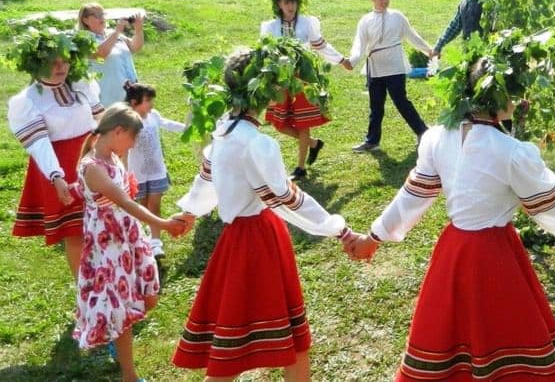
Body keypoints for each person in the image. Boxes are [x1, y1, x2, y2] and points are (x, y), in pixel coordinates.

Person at [345, 58, 555, 381]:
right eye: (513, 93)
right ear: (500, 99)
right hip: (496, 256)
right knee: (501, 334)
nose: (518, 100)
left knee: (450, 336)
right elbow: (546, 206)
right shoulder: (511, 151)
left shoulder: (438, 138)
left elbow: (413, 197)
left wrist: (373, 238)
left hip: (455, 251)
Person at [172, 51, 360, 380]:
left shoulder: (222, 132)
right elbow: (287, 199)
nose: (281, 91)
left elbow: (206, 180)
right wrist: (338, 229)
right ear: (261, 91)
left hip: (234, 239)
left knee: (232, 338)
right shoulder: (255, 143)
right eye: (276, 84)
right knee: (292, 339)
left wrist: (189, 212)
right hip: (258, 239)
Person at [73, 103, 186, 382]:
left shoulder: (113, 156)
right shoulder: (92, 167)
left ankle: (114, 331)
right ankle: (130, 375)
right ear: (118, 131)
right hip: (109, 242)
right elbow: (122, 201)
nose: (134, 144)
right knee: (124, 308)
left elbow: (126, 195)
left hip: (129, 234)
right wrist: (163, 224)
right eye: (133, 137)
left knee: (149, 298)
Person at [7, 29, 104, 278]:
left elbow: (100, 119)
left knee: (103, 221)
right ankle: (86, 289)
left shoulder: (82, 85)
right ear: (37, 64)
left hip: (92, 158)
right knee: (76, 231)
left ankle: (110, 279)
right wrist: (56, 175)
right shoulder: (27, 101)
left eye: (65, 60)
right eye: (53, 62)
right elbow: (39, 143)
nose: (61, 67)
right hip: (61, 164)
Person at [260, 0, 351, 179]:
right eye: (286, 2)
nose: (291, 6)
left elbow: (319, 45)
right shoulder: (271, 26)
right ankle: (313, 143)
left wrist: (341, 60)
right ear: (279, 5)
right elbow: (265, 52)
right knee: (279, 123)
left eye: (294, 2)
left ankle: (300, 167)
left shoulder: (307, 23)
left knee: (302, 123)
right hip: (281, 78)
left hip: (303, 77)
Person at [346, 0, 434, 152]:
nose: (384, 2)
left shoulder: (397, 16)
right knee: (376, 105)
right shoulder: (365, 20)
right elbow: (359, 44)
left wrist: (428, 51)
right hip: (375, 67)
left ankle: (423, 132)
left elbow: (412, 36)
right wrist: (352, 61)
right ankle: (372, 141)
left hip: (394, 66)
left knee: (401, 101)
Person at [124, 82, 185, 260]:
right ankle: (144, 239)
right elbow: (125, 150)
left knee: (155, 206)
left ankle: (156, 243)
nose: (151, 104)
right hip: (138, 173)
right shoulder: (128, 121)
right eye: (148, 101)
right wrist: (126, 173)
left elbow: (168, 124)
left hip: (156, 170)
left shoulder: (153, 116)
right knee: (142, 207)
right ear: (134, 103)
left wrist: (188, 128)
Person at [78, 3, 143, 106]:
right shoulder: (84, 39)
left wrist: (138, 29)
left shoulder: (111, 34)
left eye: (102, 14)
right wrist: (117, 31)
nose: (101, 18)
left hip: (131, 91)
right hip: (109, 97)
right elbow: (101, 54)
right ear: (85, 20)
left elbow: (135, 47)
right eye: (96, 15)